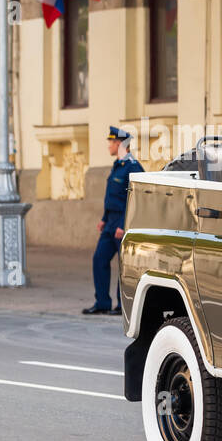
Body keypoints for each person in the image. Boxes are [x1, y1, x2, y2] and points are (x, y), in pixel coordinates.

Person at [82, 126, 143, 316]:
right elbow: (113, 197)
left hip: (122, 223)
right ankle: (102, 302)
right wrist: (104, 219)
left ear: (119, 144)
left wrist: (123, 225)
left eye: (111, 142)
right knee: (99, 258)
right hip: (110, 222)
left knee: (124, 265)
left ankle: (122, 305)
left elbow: (135, 199)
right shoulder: (118, 166)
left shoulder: (133, 167)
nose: (108, 145)